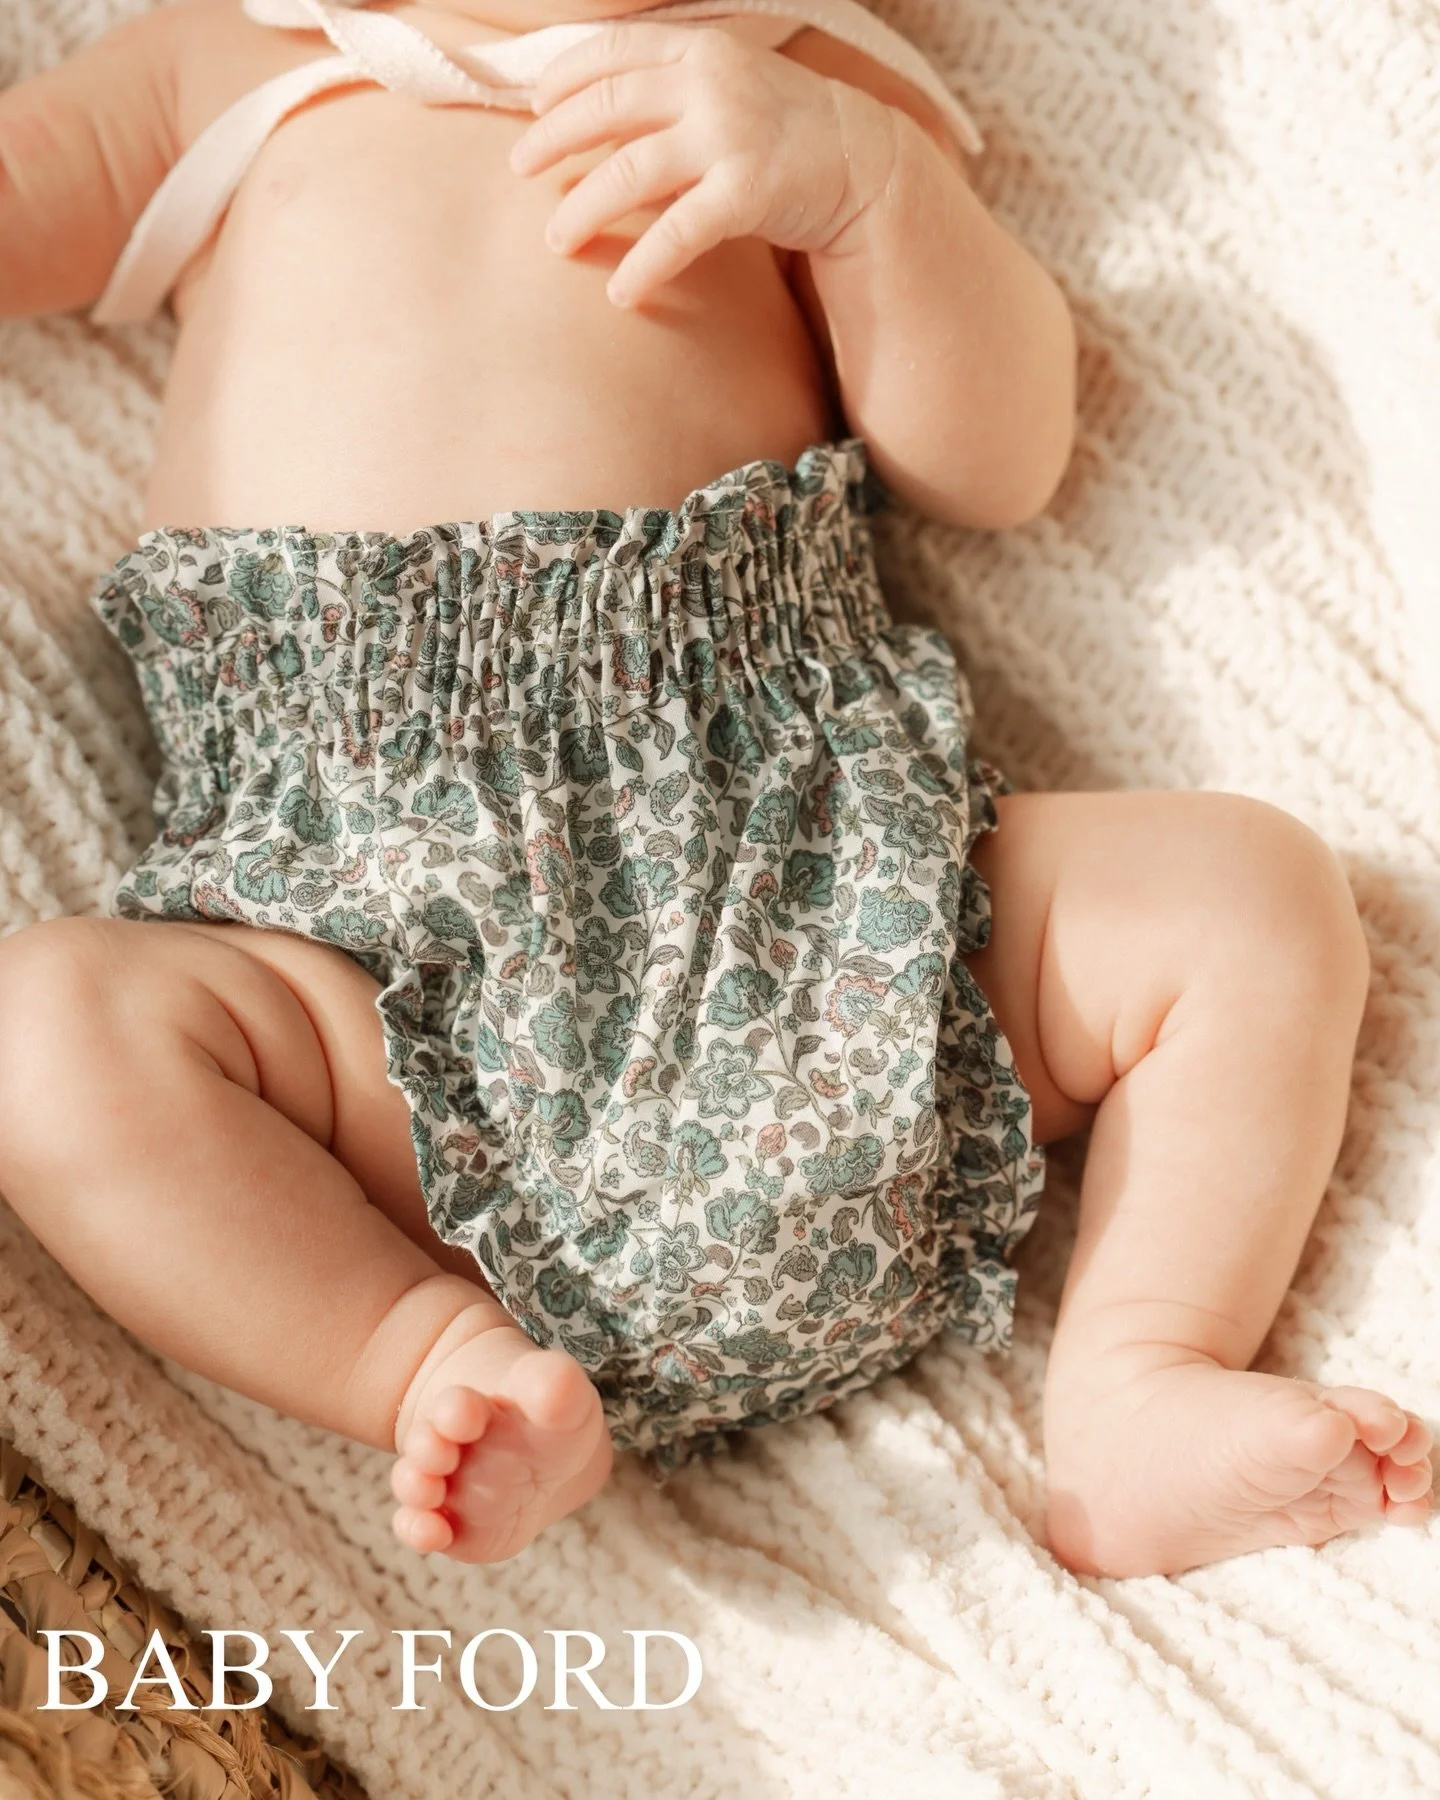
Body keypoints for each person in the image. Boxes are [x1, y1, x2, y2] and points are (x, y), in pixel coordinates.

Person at [0, 0, 1429, 1578]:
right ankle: (420, 1361)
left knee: (1250, 896)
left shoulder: (795, 82)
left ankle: (1138, 1382)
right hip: (374, 1018)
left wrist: (870, 191)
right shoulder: (236, 65)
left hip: (833, 921)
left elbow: (998, 460)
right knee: (48, 1031)